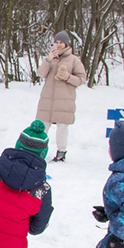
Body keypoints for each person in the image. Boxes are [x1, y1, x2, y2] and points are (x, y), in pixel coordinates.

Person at [35, 31, 87, 162]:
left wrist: (68, 77)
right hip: (47, 99)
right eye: (56, 42)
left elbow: (82, 79)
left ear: (66, 44)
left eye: (61, 42)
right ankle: (37, 150)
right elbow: (40, 73)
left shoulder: (74, 60)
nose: (58, 45)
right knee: (42, 126)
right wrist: (48, 60)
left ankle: (61, 152)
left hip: (64, 99)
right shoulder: (50, 58)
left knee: (62, 127)